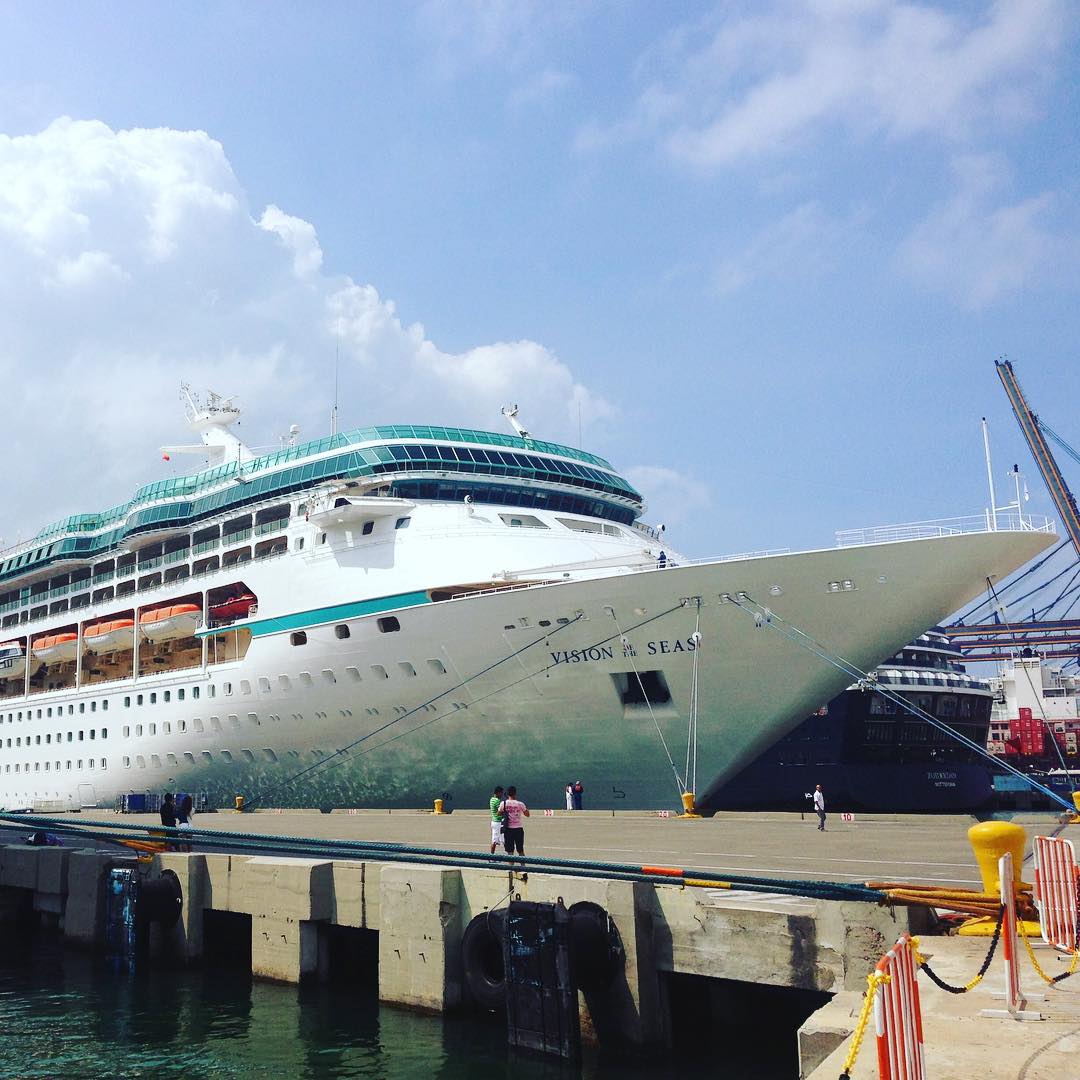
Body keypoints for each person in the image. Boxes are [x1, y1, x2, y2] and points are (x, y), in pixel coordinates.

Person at [499, 785, 530, 857]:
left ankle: (511, 867)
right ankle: (523, 866)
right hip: (518, 828)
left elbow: (499, 813)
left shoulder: (503, 803)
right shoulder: (520, 804)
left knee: (510, 851)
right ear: (515, 793)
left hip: (508, 829)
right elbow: (527, 814)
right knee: (520, 850)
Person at [489, 785, 505, 854]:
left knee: (495, 840)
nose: (502, 794)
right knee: (503, 840)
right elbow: (500, 812)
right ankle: (509, 856)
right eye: (501, 793)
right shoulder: (497, 801)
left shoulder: (492, 799)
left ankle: (491, 856)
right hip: (498, 822)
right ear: (498, 793)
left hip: (494, 822)